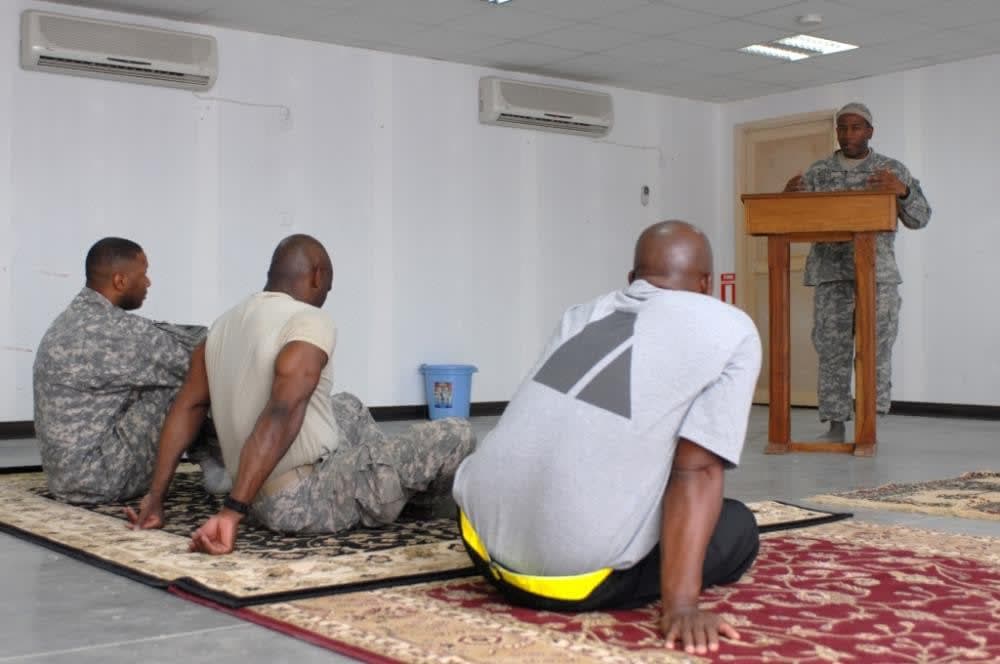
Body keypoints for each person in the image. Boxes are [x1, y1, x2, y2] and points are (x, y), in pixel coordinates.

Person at [453, 221, 762, 656]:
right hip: (570, 580)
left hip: (476, 539)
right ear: (706, 285)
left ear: (632, 281)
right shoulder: (730, 327)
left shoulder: (582, 314)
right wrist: (682, 604)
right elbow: (699, 467)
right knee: (737, 527)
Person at [126, 234, 475, 554]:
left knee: (347, 407)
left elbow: (187, 408)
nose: (325, 296)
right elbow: (283, 410)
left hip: (259, 487)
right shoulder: (308, 320)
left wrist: (155, 497)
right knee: (455, 433)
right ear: (318, 275)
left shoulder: (221, 327)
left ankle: (388, 487)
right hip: (304, 498)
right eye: (329, 287)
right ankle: (420, 505)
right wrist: (232, 513)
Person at [784, 102, 931, 441]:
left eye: (856, 127)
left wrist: (903, 191)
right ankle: (835, 425)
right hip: (831, 276)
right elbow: (795, 221)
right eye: (842, 127)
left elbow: (920, 218)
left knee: (875, 350)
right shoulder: (818, 172)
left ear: (870, 131)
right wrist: (787, 200)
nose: (848, 134)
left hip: (877, 277)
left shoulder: (891, 170)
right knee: (831, 351)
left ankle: (870, 423)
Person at [33, 237, 208, 504]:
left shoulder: (77, 318)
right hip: (100, 479)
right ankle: (217, 459)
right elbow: (201, 357)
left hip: (66, 478)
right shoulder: (114, 332)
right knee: (196, 375)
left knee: (160, 373)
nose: (148, 282)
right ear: (120, 281)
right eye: (144, 274)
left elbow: (156, 332)